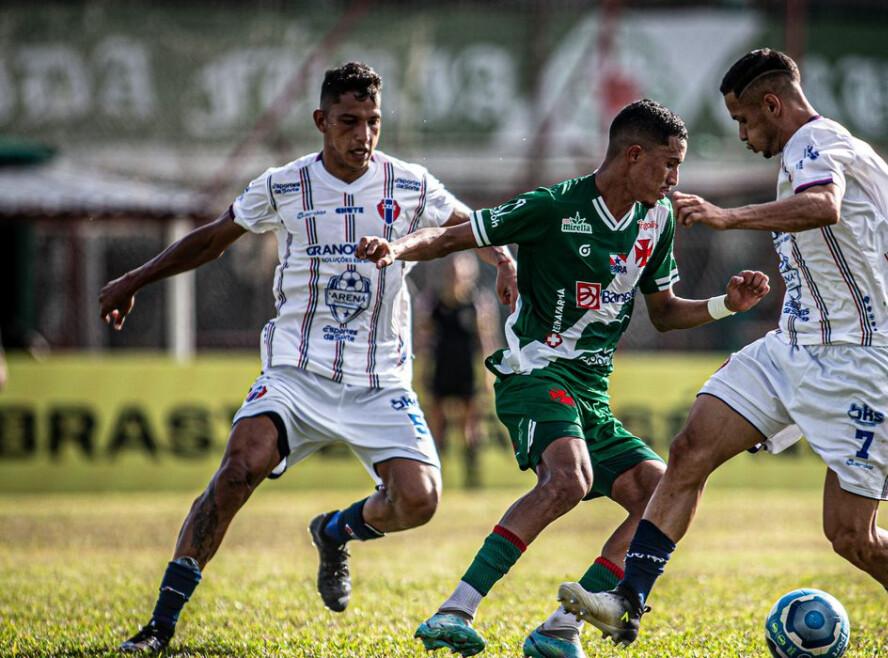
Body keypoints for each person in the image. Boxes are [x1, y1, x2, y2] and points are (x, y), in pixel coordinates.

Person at [98, 62, 517, 654]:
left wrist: (505, 260)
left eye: (372, 122)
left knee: (420, 500)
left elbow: (468, 225)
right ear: (321, 121)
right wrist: (134, 279)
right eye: (349, 121)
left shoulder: (410, 183)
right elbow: (214, 238)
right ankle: (161, 624)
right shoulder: (284, 185)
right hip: (296, 371)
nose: (363, 135)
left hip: (379, 380)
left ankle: (334, 531)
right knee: (238, 468)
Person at [557, 48, 888, 658]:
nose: (744, 135)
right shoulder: (851, 150)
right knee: (689, 450)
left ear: (772, 104)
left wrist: (725, 217)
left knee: (851, 536)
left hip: (858, 362)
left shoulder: (813, 148)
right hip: (791, 346)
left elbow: (823, 206)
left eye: (745, 121)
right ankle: (628, 600)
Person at [356, 98, 771, 658]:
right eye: (669, 165)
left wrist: (725, 303)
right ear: (632, 156)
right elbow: (457, 236)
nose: (676, 179)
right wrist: (396, 248)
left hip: (591, 395)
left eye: (679, 166)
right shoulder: (554, 206)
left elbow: (666, 312)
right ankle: (454, 610)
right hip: (535, 371)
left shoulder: (658, 218)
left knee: (661, 493)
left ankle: (560, 629)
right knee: (568, 479)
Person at [418, 251, 502, 488]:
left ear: (470, 273)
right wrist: (423, 370)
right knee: (436, 426)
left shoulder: (477, 303)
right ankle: (434, 479)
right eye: (453, 270)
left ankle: (472, 479)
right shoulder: (434, 301)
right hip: (441, 367)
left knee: (470, 428)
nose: (456, 275)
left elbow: (487, 341)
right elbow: (425, 340)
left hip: (466, 369)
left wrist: (488, 374)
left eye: (461, 270)